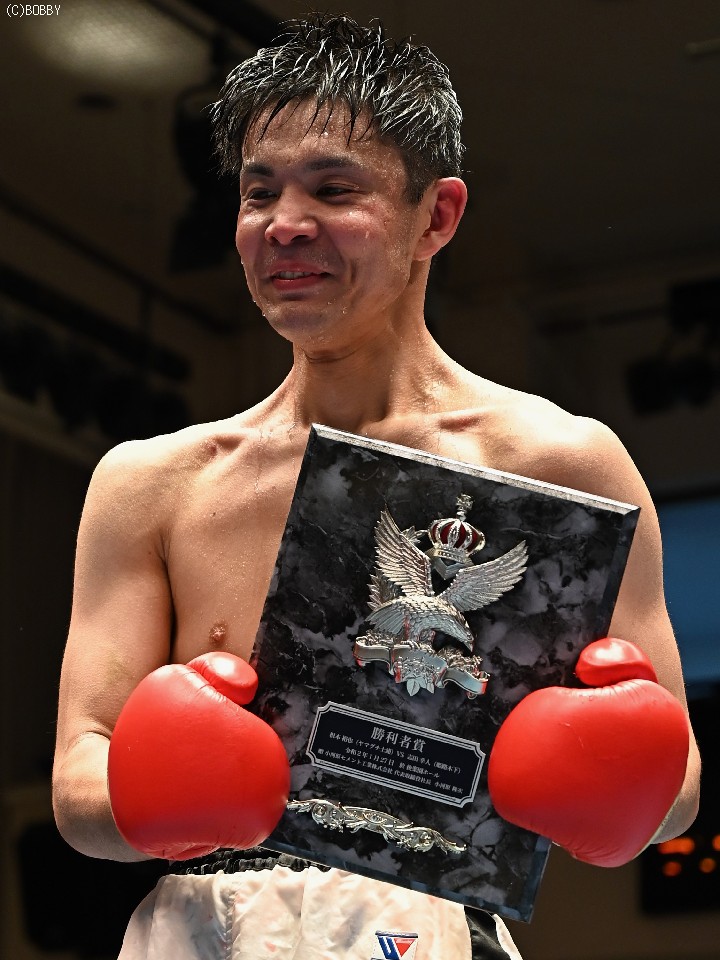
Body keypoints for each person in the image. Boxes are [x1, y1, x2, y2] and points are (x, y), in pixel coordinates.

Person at [52, 15, 700, 960]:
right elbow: (80, 776)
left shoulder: (561, 464)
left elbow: (676, 786)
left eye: (333, 188)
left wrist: (611, 780)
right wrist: (153, 797)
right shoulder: (153, 484)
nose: (284, 224)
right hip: (200, 928)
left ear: (436, 216)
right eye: (259, 192)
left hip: (432, 927)